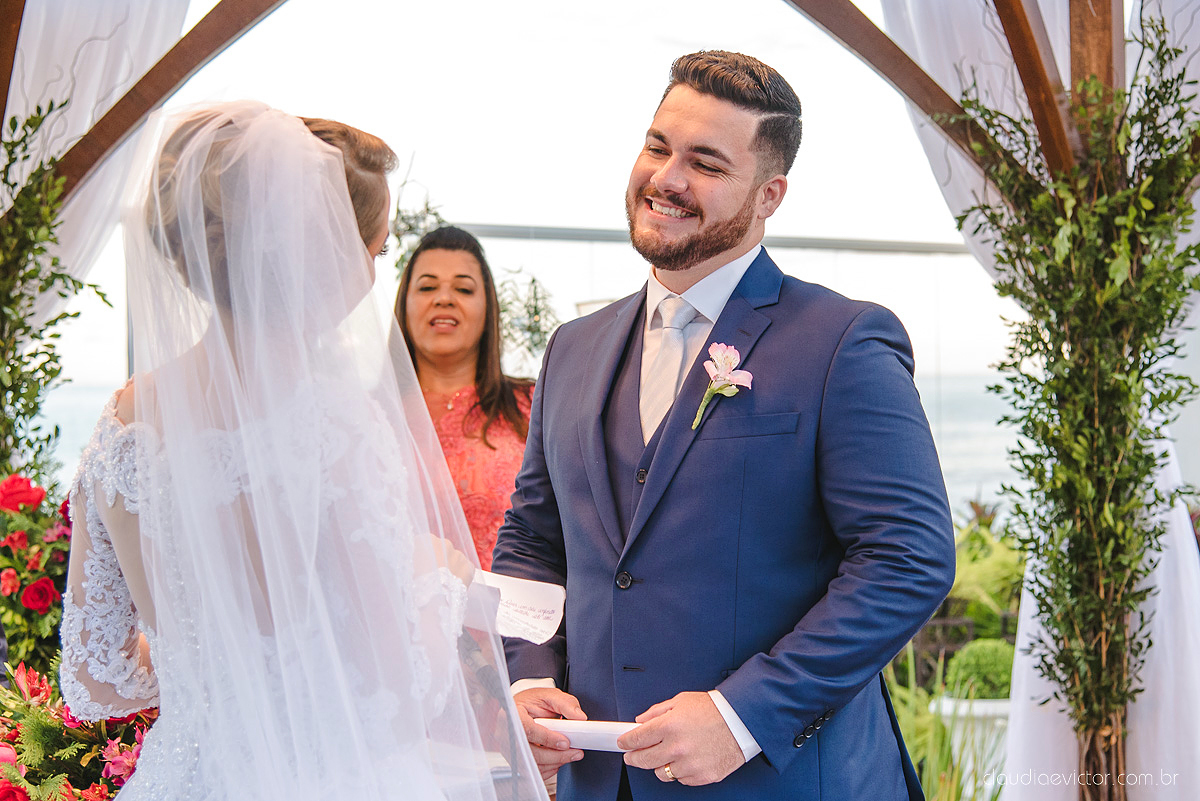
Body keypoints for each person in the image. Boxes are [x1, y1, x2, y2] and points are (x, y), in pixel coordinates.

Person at [490, 51, 956, 800]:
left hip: (783, 780)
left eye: (705, 162)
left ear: (769, 194)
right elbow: (531, 541)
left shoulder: (843, 341)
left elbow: (908, 558)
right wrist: (526, 676)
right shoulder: (571, 349)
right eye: (657, 146)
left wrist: (742, 713)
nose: (667, 178)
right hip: (596, 781)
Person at [59, 101, 546, 801]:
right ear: (325, 252)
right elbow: (398, 689)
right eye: (374, 253)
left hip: (190, 776)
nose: (375, 276)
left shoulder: (120, 425)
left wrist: (215, 665)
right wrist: (439, 578)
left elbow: (92, 678)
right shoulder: (340, 427)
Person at [395, 227, 533, 569]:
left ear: (487, 308)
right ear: (404, 303)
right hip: (394, 617)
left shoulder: (534, 405)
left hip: (508, 616)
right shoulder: (368, 412)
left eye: (463, 288)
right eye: (427, 287)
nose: (443, 298)